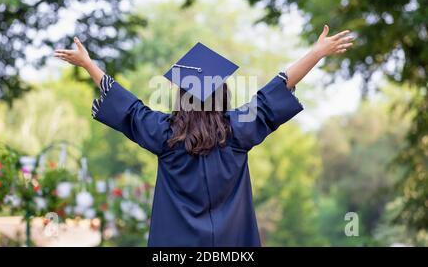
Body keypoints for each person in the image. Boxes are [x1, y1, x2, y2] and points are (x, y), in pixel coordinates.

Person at [54, 25, 353, 246]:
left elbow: (129, 107)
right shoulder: (237, 130)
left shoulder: (164, 134)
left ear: (181, 97)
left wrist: (89, 64)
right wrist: (316, 52)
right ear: (222, 94)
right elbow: (278, 87)